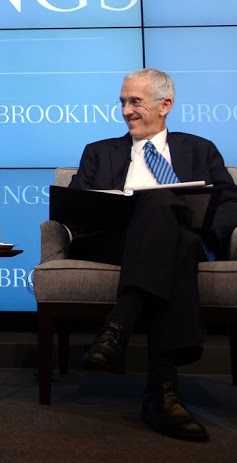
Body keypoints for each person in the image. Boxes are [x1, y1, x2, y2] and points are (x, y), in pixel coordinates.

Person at [67, 68, 237, 442]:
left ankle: (117, 331)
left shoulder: (200, 148)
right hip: (115, 243)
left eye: (135, 102)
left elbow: (229, 203)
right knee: (167, 217)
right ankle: (163, 390)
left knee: (179, 236)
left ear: (166, 105)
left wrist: (202, 227)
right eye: (123, 102)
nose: (126, 111)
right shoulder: (98, 152)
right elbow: (76, 209)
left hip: (182, 242)